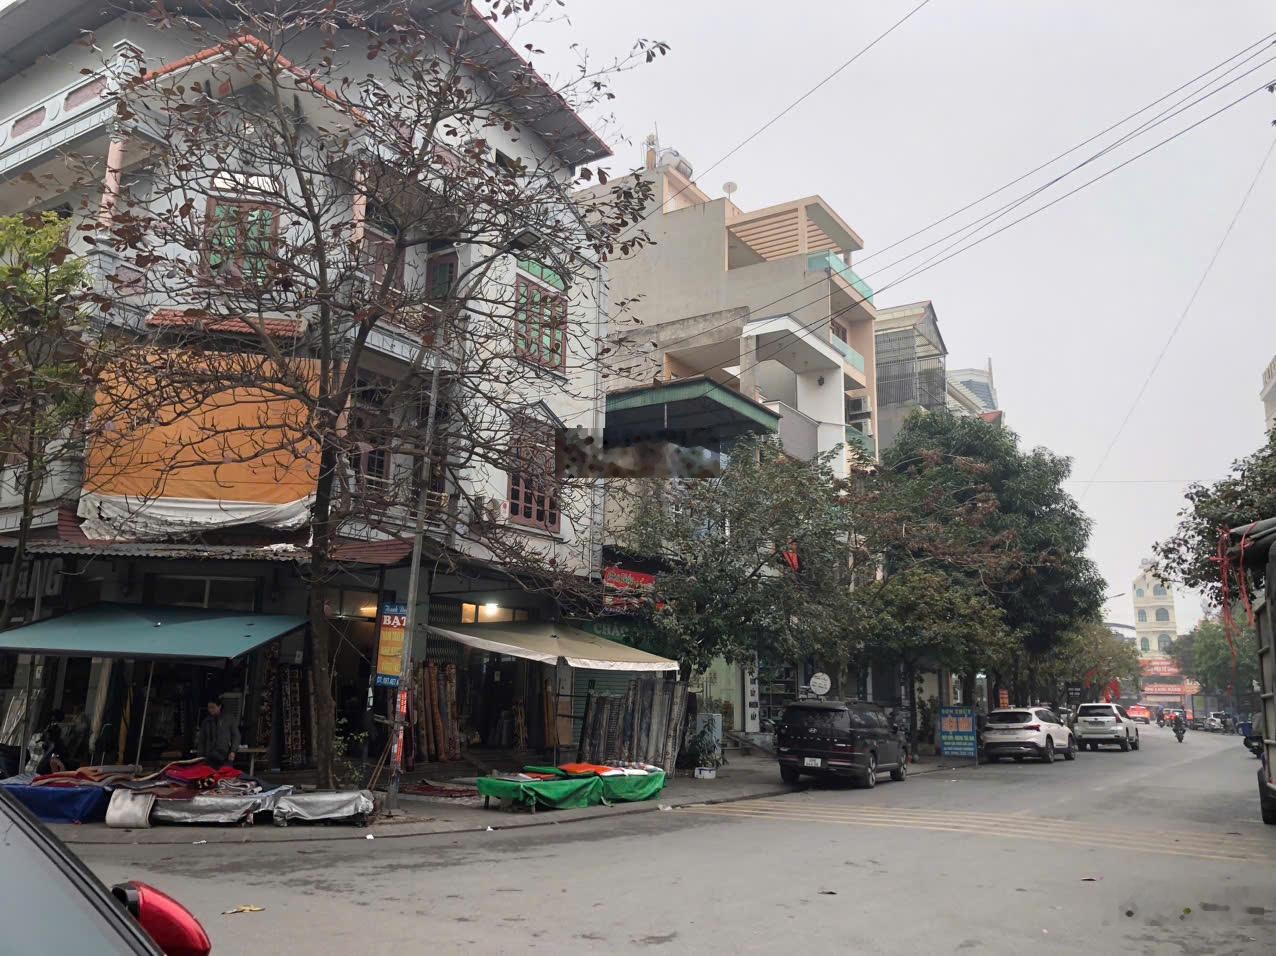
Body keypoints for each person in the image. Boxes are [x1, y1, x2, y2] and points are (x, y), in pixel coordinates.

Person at [196, 696, 240, 768]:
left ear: (219, 706)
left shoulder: (229, 719)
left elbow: (236, 736)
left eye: (213, 707)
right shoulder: (206, 721)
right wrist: (199, 756)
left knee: (225, 773)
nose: (210, 710)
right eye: (209, 708)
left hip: (224, 755)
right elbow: (201, 740)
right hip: (209, 756)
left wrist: (233, 751)